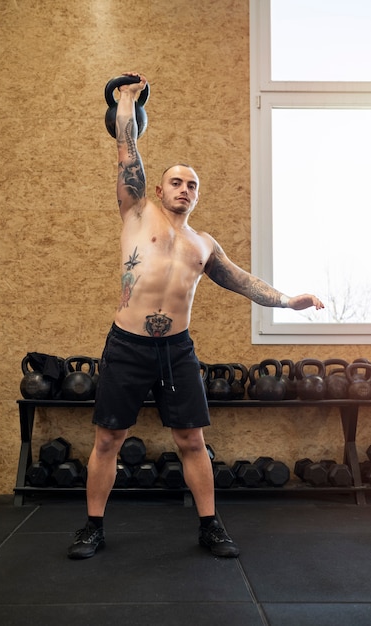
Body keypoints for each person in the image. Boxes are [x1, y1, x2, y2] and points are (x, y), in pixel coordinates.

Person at [67, 72, 324, 560]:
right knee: (108, 440)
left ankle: (210, 526)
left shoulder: (204, 244)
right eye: (177, 182)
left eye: (193, 185)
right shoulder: (136, 213)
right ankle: (92, 527)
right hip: (127, 344)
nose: (185, 189)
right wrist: (126, 101)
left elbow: (242, 281)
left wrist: (288, 300)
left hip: (176, 351)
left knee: (191, 439)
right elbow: (127, 150)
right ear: (159, 190)